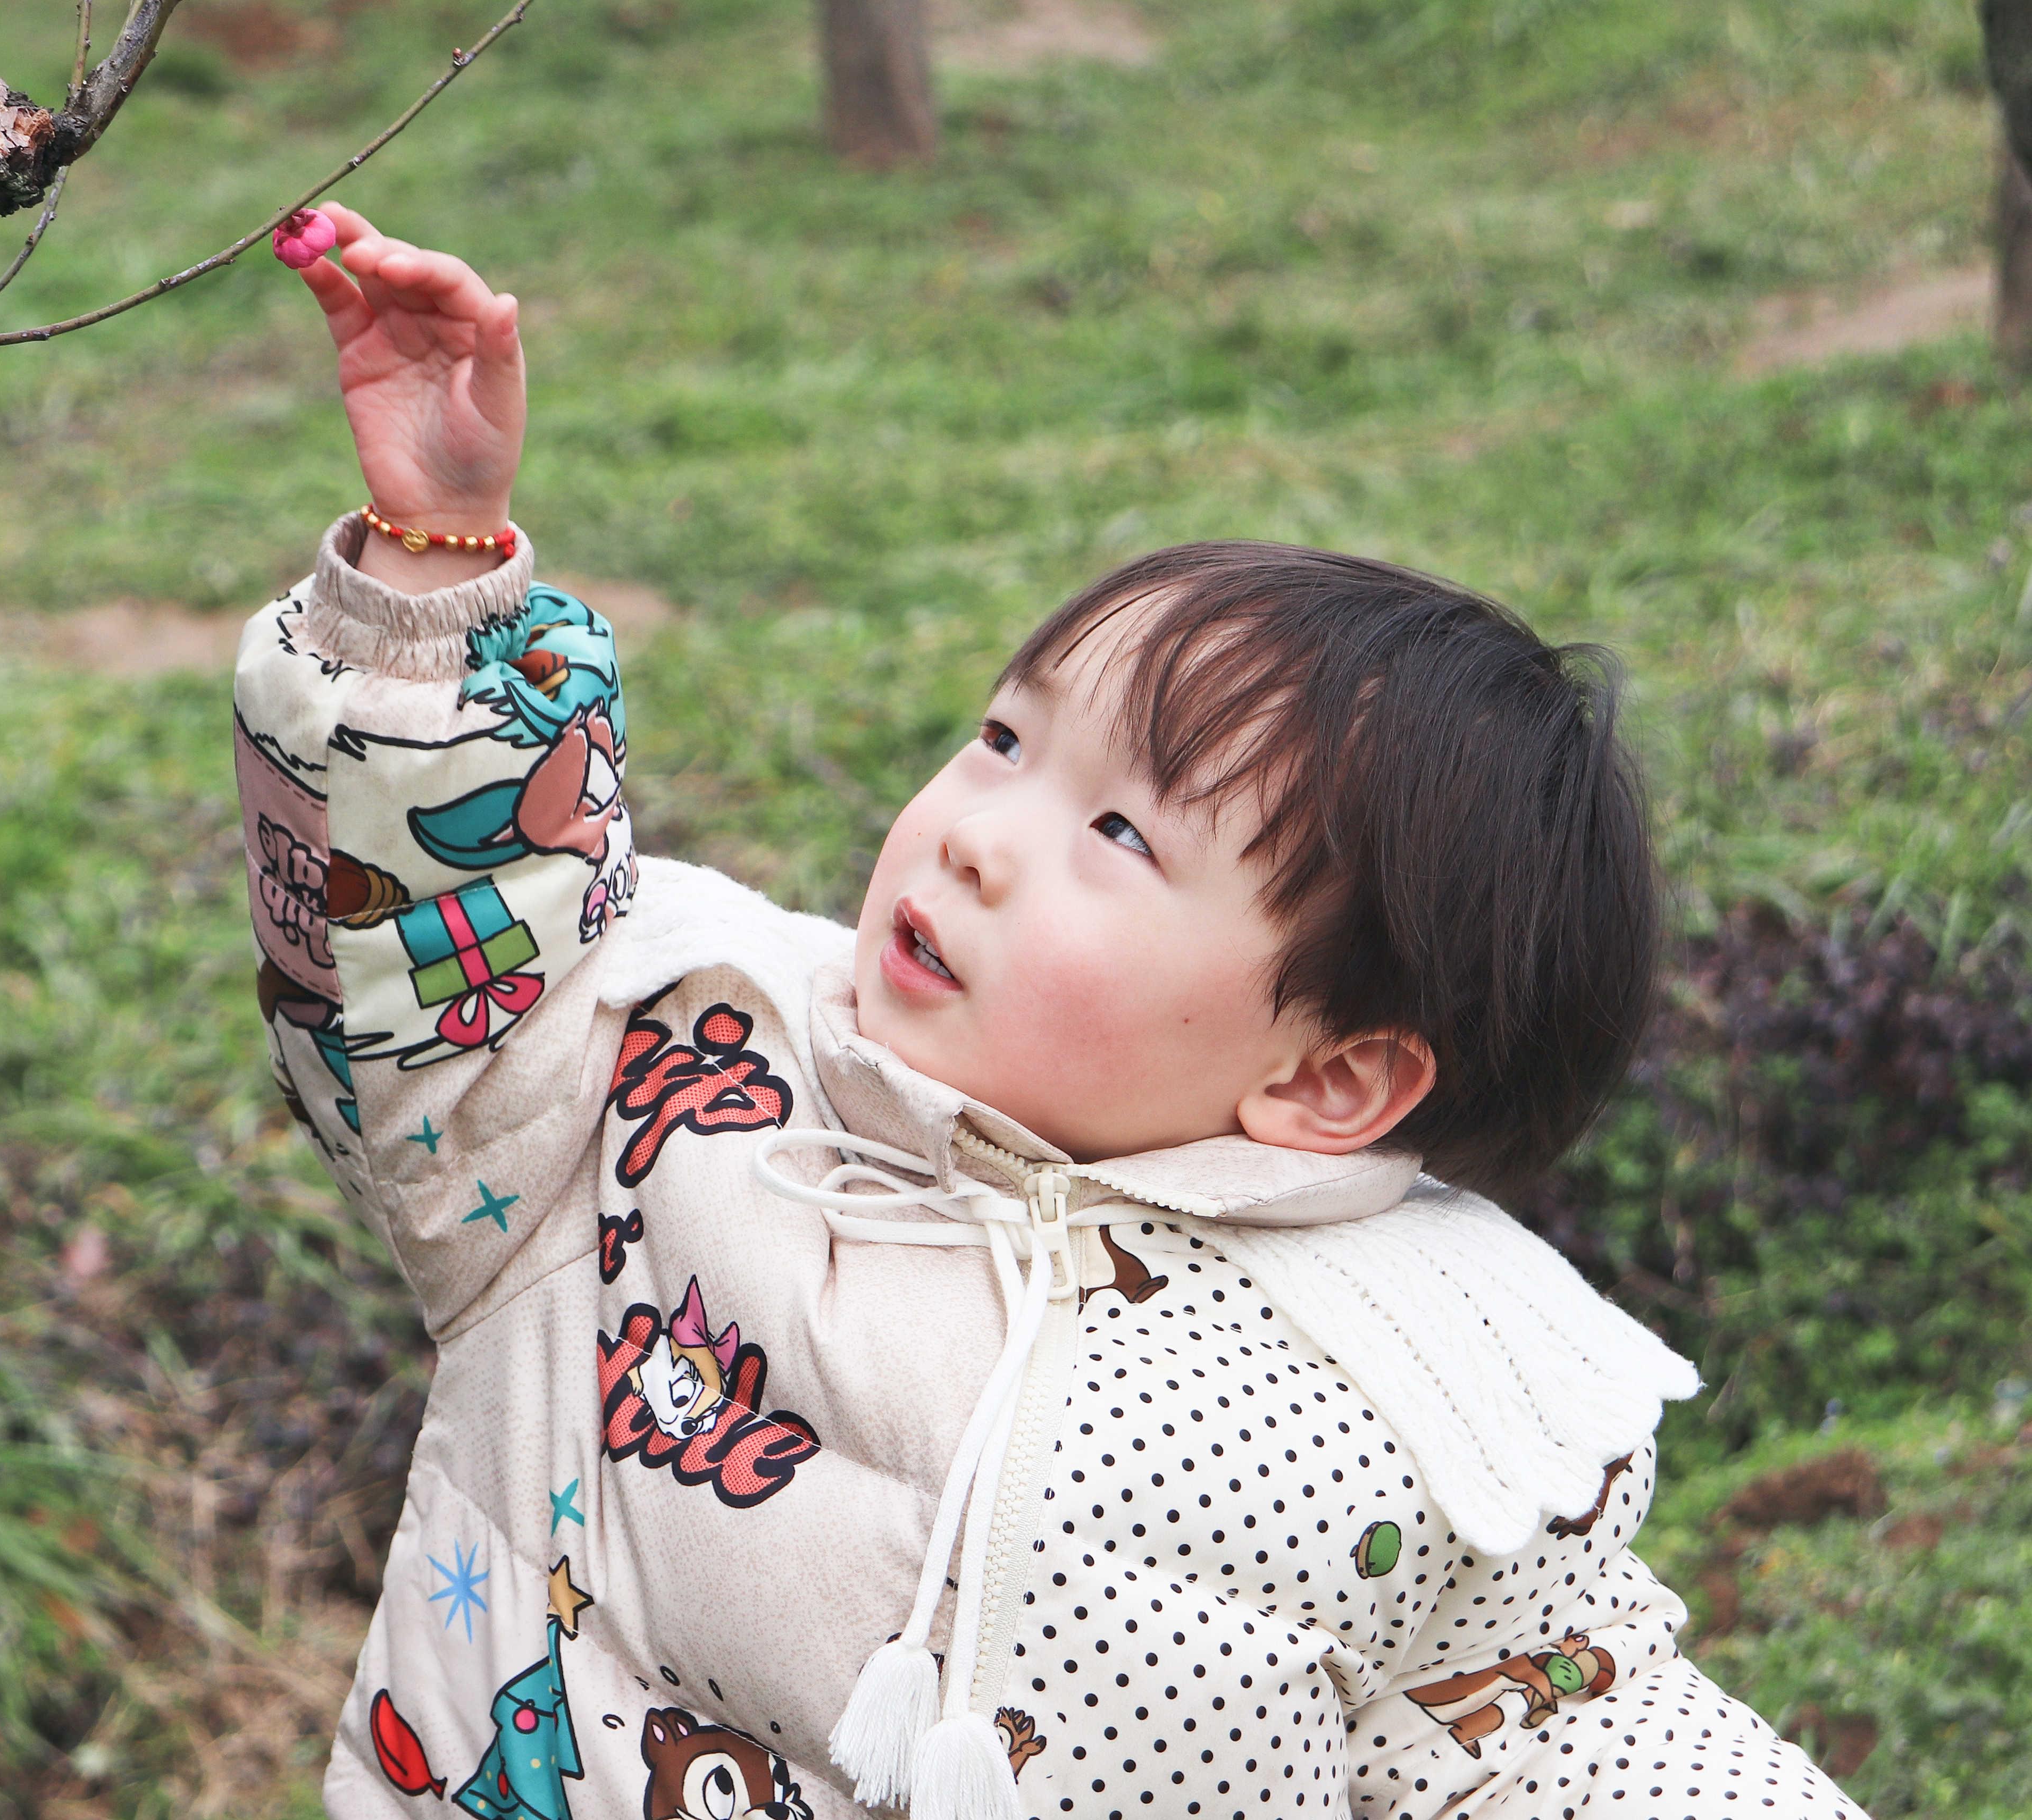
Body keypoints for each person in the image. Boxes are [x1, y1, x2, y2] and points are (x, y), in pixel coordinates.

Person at [233, 204, 1863, 1820]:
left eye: (1120, 837)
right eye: (1008, 741)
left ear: (1334, 1077)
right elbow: (425, 976)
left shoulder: (1426, 1387)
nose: (974, 831)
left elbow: (1559, 1736)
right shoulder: (669, 1058)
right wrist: (428, 577)